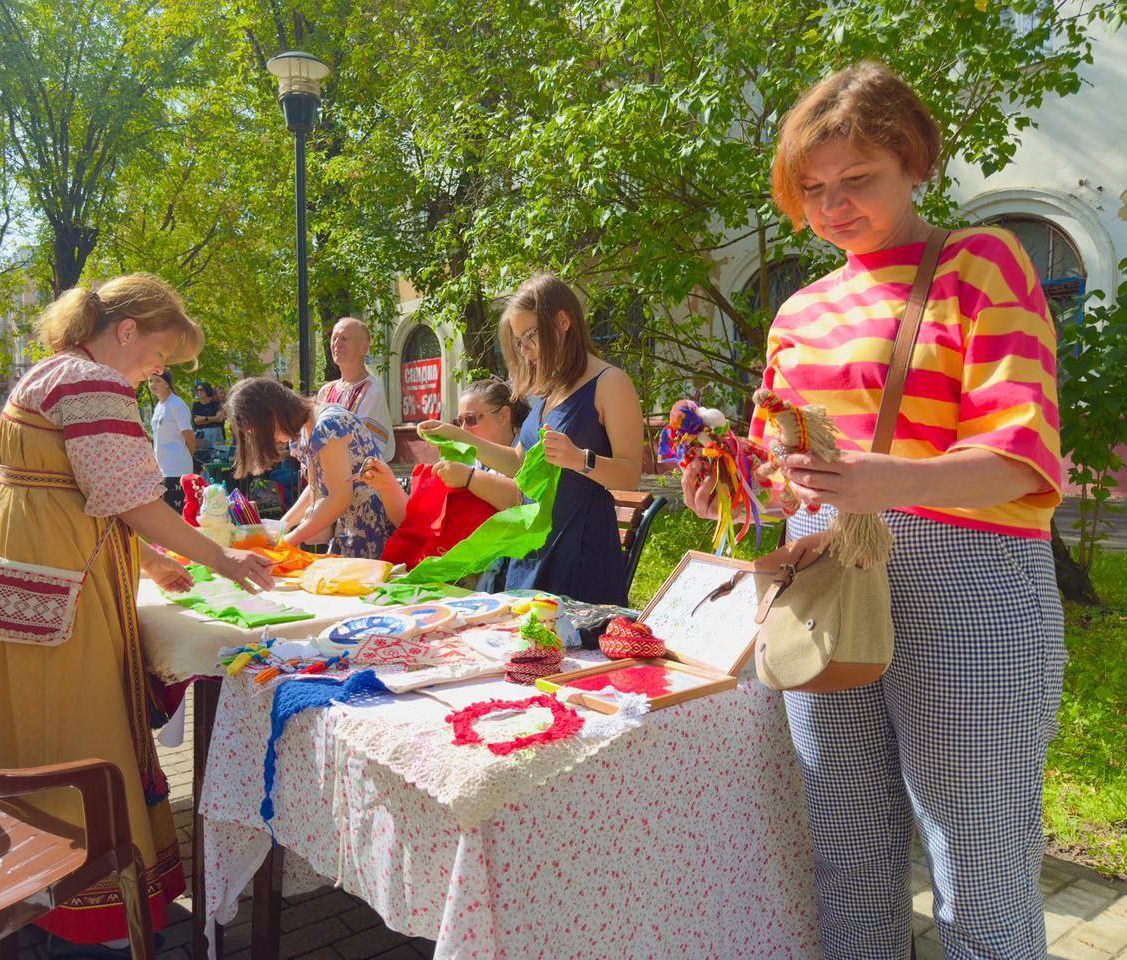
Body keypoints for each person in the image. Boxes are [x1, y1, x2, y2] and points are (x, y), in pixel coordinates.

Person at [683, 63, 1065, 959]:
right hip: (824, 577)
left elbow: (1023, 458)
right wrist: (736, 489)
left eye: (858, 179)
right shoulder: (799, 312)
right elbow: (788, 477)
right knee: (845, 855)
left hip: (968, 583)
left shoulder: (981, 263)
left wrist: (881, 482)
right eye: (812, 189)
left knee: (978, 863)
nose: (833, 206)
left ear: (914, 163)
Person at [0, 274, 276, 951]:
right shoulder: (92, 382)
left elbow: (76, 494)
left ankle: (15, 890)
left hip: (23, 572)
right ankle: (85, 904)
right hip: (56, 585)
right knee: (71, 729)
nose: (156, 371)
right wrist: (221, 559)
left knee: (10, 727)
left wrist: (151, 561)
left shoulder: (53, 371)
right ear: (127, 330)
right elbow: (130, 501)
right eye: (159, 354)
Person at [420, 275, 643, 604]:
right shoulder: (549, 390)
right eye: (518, 341)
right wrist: (458, 436)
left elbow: (630, 473)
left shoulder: (610, 382)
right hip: (533, 550)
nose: (524, 349)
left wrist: (579, 459)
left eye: (530, 335)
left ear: (563, 322)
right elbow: (517, 463)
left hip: (580, 553)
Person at [228, 376, 394, 558]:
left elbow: (340, 498)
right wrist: (282, 527)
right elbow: (318, 487)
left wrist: (288, 540)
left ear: (273, 413)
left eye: (265, 431)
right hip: (351, 527)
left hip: (370, 526)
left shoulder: (328, 425)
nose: (273, 439)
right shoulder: (306, 428)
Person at [361, 376, 531, 525]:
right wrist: (387, 485)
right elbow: (420, 521)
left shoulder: (528, 452)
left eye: (470, 419)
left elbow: (524, 502)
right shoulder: (468, 461)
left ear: (504, 416)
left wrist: (468, 477)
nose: (463, 429)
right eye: (459, 422)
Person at [317, 316, 396, 461]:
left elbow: (363, 446)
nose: (337, 344)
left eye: (344, 339)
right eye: (334, 338)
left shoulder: (372, 390)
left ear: (364, 347)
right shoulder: (325, 391)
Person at [149, 368, 195, 513]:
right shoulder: (158, 406)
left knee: (178, 514)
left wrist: (187, 457)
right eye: (150, 381)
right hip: (162, 469)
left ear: (167, 384)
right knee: (165, 514)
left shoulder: (177, 404)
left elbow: (189, 436)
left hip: (176, 468)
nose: (153, 384)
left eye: (158, 380)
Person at [192, 381, 225, 449]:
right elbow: (197, 421)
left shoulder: (216, 404)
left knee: (218, 454)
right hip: (201, 434)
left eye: (201, 389)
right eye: (197, 390)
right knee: (202, 454)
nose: (199, 392)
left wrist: (204, 419)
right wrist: (214, 419)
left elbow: (219, 418)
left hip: (216, 433)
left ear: (207, 390)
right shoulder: (196, 405)